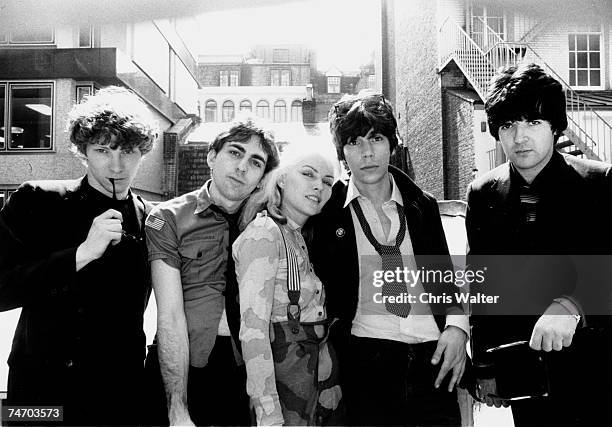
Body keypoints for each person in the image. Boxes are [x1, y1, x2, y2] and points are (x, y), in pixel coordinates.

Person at [307, 92, 469, 426]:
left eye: (376, 138)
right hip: (365, 366)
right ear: (342, 152)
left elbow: (446, 280)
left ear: (391, 144)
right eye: (354, 142)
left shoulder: (422, 205)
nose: (367, 153)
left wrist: (457, 328)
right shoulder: (325, 215)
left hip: (432, 361)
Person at [0, 86, 158, 426]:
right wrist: (80, 255)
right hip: (38, 393)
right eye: (103, 149)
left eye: (128, 150)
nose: (116, 164)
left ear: (143, 152)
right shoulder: (37, 200)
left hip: (117, 397)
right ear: (83, 151)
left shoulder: (153, 219)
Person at [466, 63, 612, 426]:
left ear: (554, 126)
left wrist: (573, 304)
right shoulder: (483, 194)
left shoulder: (600, 182)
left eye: (532, 122)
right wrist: (485, 366)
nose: (519, 137)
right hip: (526, 377)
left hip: (597, 371)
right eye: (508, 125)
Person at [145, 116, 280, 426]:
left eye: (255, 162)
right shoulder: (168, 217)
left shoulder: (268, 225)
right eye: (235, 152)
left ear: (261, 178)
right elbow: (169, 315)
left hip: (243, 366)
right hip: (182, 363)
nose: (242, 166)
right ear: (211, 156)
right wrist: (178, 410)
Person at [233, 141, 344, 426]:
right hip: (287, 403)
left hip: (315, 394)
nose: (319, 186)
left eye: (328, 181)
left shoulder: (296, 236)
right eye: (308, 174)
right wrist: (269, 415)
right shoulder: (265, 233)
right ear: (281, 178)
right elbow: (253, 333)